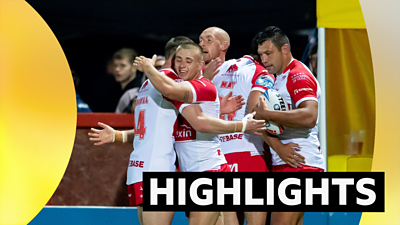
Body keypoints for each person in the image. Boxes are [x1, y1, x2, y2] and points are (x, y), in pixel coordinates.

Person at [90, 38, 265, 225]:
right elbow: (183, 120)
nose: (182, 65)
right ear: (174, 58)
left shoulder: (150, 85)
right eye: (180, 59)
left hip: (199, 170)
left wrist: (228, 117)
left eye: (188, 61)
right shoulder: (170, 83)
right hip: (167, 169)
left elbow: (197, 121)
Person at [200, 27, 305, 225]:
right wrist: (278, 146)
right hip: (249, 154)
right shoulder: (261, 71)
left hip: (218, 156)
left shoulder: (208, 74)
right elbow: (256, 110)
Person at [253, 26, 325, 225]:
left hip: (300, 163)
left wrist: (266, 113)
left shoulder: (298, 74)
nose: (264, 59)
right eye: (261, 55)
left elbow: (310, 115)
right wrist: (277, 146)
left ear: (285, 49)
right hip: (289, 163)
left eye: (268, 53)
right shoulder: (278, 78)